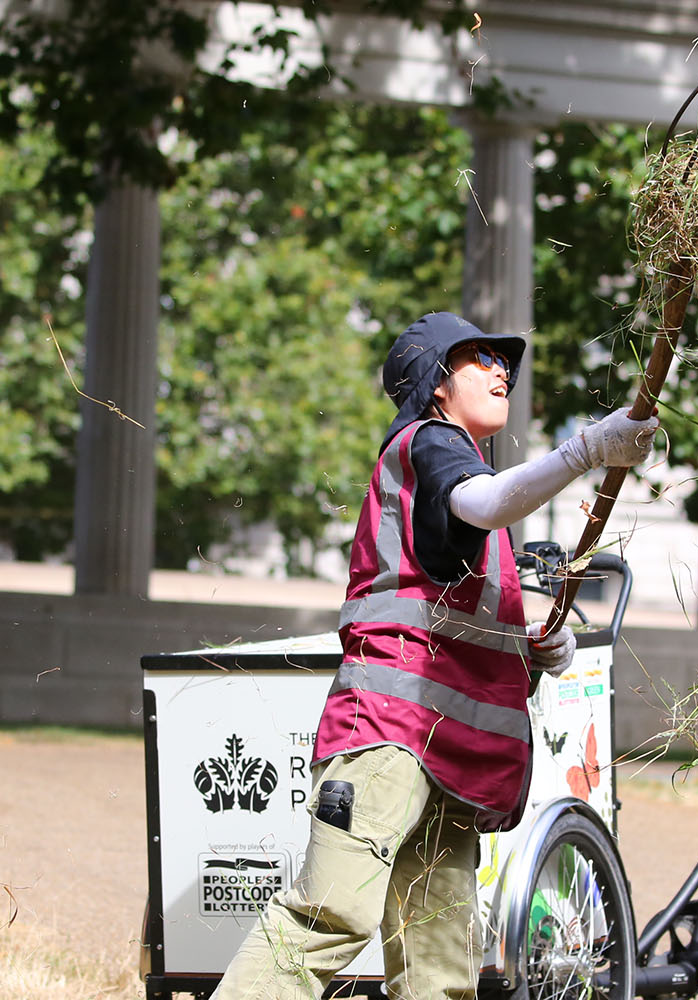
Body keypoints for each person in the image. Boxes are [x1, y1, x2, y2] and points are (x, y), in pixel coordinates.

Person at [212, 312, 658, 1000]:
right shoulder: (430, 445)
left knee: (440, 970)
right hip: (390, 733)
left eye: (501, 359)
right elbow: (486, 504)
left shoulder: (464, 478)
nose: (501, 368)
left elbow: (455, 607)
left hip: (449, 758)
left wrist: (532, 645)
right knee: (331, 915)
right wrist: (586, 451)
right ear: (436, 386)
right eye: (479, 357)